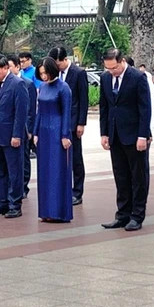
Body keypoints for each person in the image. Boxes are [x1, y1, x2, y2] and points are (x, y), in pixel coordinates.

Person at [98, 49, 152, 232]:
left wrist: (142, 135)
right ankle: (122, 214)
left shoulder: (137, 77)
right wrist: (104, 133)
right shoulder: (106, 78)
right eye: (108, 68)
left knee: (138, 176)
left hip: (134, 134)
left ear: (122, 61)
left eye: (114, 68)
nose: (111, 71)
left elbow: (145, 108)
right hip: (115, 134)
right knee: (120, 176)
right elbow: (104, 107)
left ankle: (137, 215)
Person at [0, 57, 28, 218]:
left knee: (14, 171)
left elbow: (21, 112)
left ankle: (15, 204)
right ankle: (1, 203)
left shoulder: (17, 84)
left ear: (5, 68)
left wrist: (17, 135)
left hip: (12, 136)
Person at [33, 57, 73, 222]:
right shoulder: (42, 87)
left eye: (46, 73)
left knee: (57, 171)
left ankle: (58, 211)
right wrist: (35, 132)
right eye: (41, 73)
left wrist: (65, 135)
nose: (43, 76)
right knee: (44, 172)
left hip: (57, 131)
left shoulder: (64, 88)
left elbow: (66, 113)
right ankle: (46, 211)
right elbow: (39, 112)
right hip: (43, 131)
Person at [48, 46, 89, 206]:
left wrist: (81, 123)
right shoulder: (53, 75)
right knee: (59, 158)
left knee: (75, 158)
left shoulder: (78, 73)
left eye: (58, 64)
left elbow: (83, 100)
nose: (56, 68)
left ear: (65, 59)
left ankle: (77, 192)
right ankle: (63, 190)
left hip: (72, 122)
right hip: (56, 121)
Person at [7, 55, 36, 198]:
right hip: (8, 128)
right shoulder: (4, 83)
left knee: (24, 158)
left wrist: (30, 129)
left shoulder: (27, 83)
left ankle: (24, 186)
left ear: (18, 67)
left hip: (24, 128)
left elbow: (31, 110)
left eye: (10, 66)